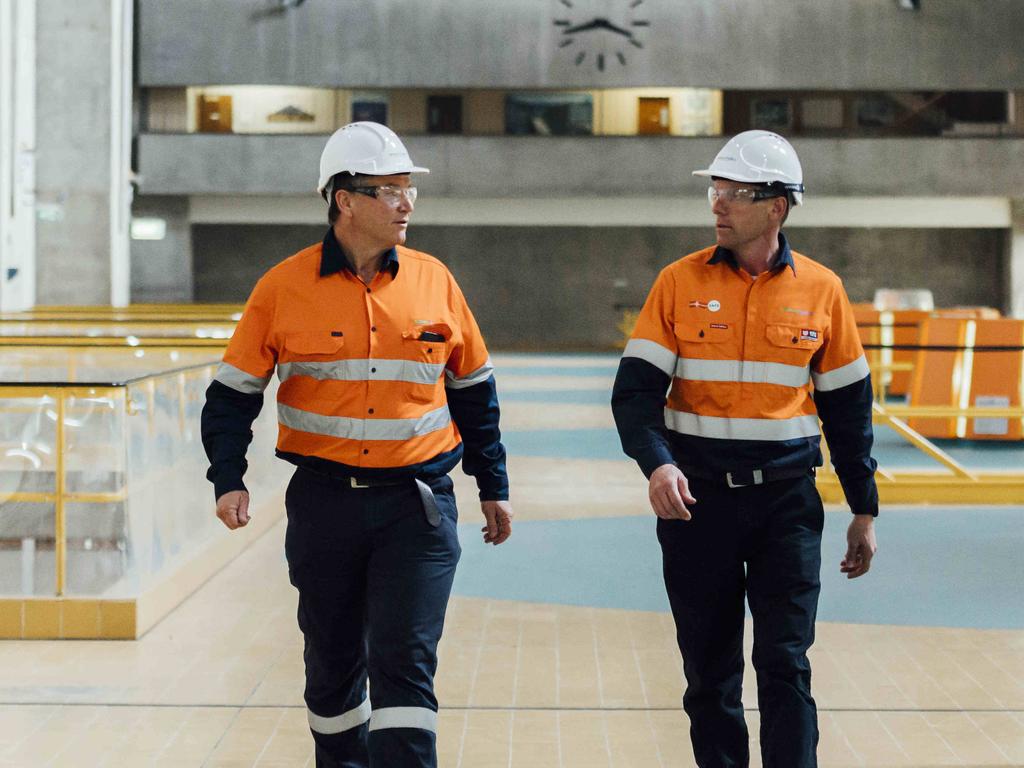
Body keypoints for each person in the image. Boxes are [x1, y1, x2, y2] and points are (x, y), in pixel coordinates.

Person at [201, 121, 513, 768]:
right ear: (344, 199)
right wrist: (227, 476)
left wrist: (493, 487)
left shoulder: (435, 281)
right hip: (324, 507)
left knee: (405, 662)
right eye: (390, 190)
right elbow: (232, 394)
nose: (406, 204)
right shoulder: (282, 289)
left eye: (409, 191)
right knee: (332, 662)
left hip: (417, 507)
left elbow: (474, 393)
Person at [611, 130, 878, 768]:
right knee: (710, 674)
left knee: (785, 664)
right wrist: (658, 464)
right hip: (697, 506)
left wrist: (863, 510)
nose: (718, 204)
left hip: (787, 506)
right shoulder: (678, 283)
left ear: (777, 205)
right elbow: (634, 396)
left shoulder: (823, 291)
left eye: (734, 193)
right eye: (715, 190)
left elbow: (848, 412)